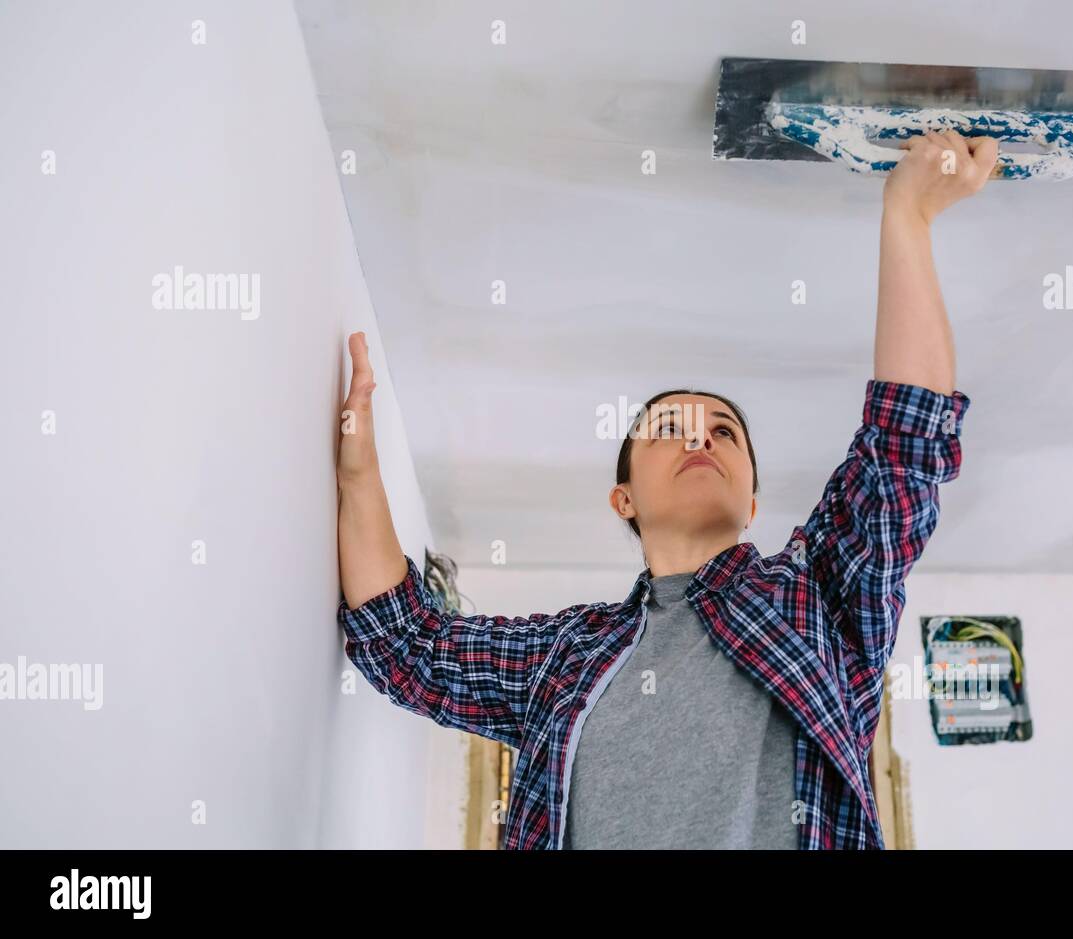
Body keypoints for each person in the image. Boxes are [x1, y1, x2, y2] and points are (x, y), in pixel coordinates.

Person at [336, 130, 997, 849]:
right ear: (624, 499)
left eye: (722, 431)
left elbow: (903, 446)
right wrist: (358, 472)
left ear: (750, 503)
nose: (698, 438)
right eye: (670, 428)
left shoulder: (819, 594)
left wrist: (909, 215)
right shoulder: (564, 655)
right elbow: (406, 644)